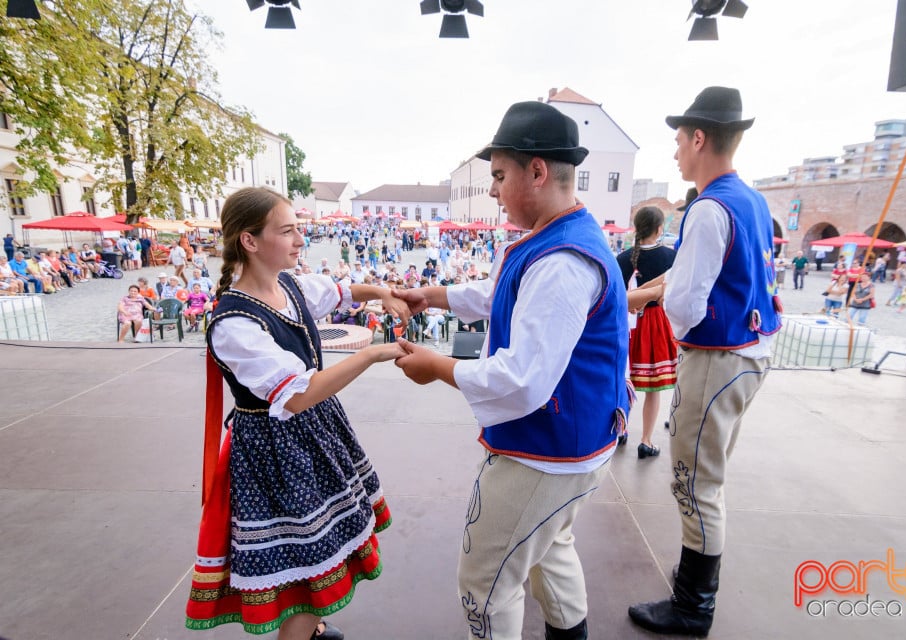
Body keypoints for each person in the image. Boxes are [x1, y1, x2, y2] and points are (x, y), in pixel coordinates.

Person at [393, 100, 629, 640]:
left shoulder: (560, 261)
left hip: (547, 450)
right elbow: (501, 295)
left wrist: (439, 366)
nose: (495, 191)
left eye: (500, 176)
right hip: (580, 441)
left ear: (538, 171)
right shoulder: (560, 236)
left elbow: (523, 378)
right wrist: (432, 296)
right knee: (550, 550)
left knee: (486, 580)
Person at [184, 187, 408, 639]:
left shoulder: (289, 285)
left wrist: (382, 291)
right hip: (274, 449)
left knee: (319, 541)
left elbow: (340, 291)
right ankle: (302, 632)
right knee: (302, 558)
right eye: (286, 231)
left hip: (313, 433)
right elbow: (298, 394)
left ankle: (313, 627)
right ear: (249, 240)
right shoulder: (235, 325)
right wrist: (370, 355)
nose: (300, 240)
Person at [627, 87, 781, 637]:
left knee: (694, 482)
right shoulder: (752, 200)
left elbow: (687, 306)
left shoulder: (709, 207)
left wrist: (661, 302)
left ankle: (694, 604)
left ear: (699, 138)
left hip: (717, 358)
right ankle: (697, 573)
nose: (674, 154)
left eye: (677, 142)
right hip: (749, 355)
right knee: (708, 476)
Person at [617, 205, 676, 458]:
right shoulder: (671, 258)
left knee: (623, 378)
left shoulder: (623, 258)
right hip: (655, 321)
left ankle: (622, 429)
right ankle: (647, 439)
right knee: (652, 386)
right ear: (660, 228)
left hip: (625, 322)